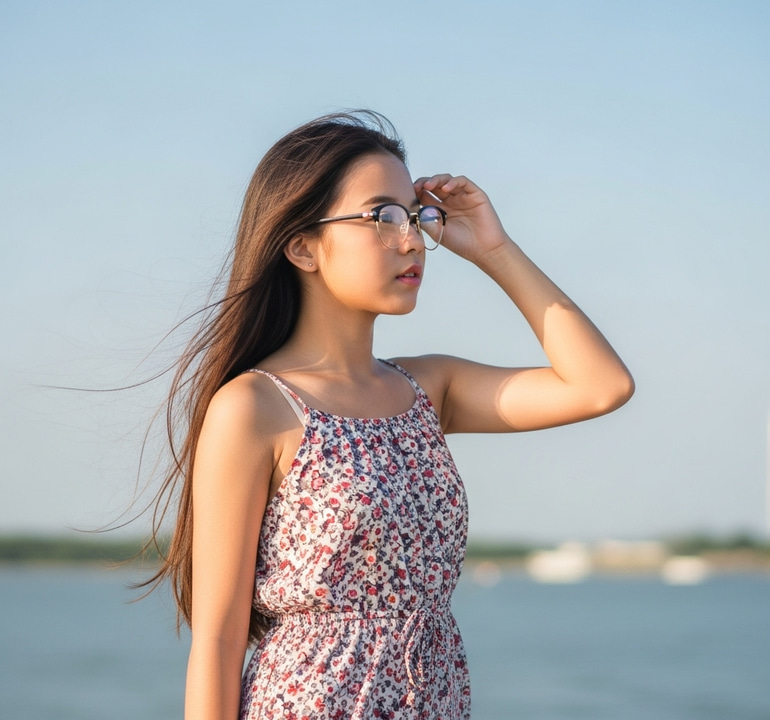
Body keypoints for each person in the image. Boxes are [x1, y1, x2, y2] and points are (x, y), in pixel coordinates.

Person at [151, 111, 634, 720]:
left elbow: (601, 385)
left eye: (415, 216)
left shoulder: (428, 389)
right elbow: (218, 642)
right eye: (382, 217)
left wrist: (494, 249)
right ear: (302, 246)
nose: (411, 240)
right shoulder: (255, 407)